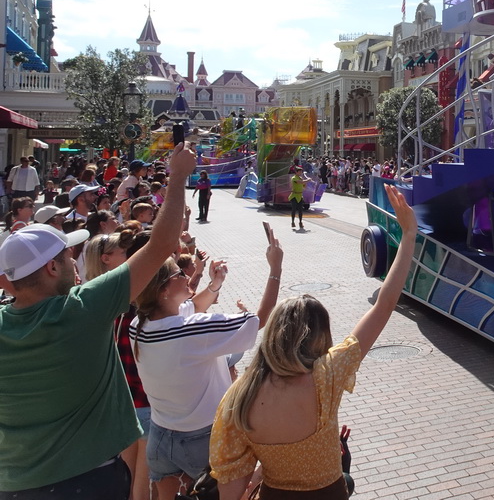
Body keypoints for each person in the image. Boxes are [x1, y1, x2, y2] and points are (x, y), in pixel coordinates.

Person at [0, 143, 195, 499]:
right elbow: (162, 244)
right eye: (68, 255)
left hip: (14, 484)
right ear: (52, 267)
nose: (75, 260)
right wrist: (179, 176)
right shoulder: (83, 308)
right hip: (87, 480)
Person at [211, 185, 418, 499]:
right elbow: (384, 304)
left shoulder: (237, 398)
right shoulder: (327, 376)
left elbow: (230, 492)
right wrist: (409, 235)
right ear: (320, 337)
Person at [130, 227, 283, 500]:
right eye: (179, 273)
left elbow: (192, 308)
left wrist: (214, 284)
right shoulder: (189, 330)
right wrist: (275, 268)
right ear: (164, 289)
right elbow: (259, 319)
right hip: (201, 438)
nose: (186, 275)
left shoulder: (139, 324)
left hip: (161, 436)